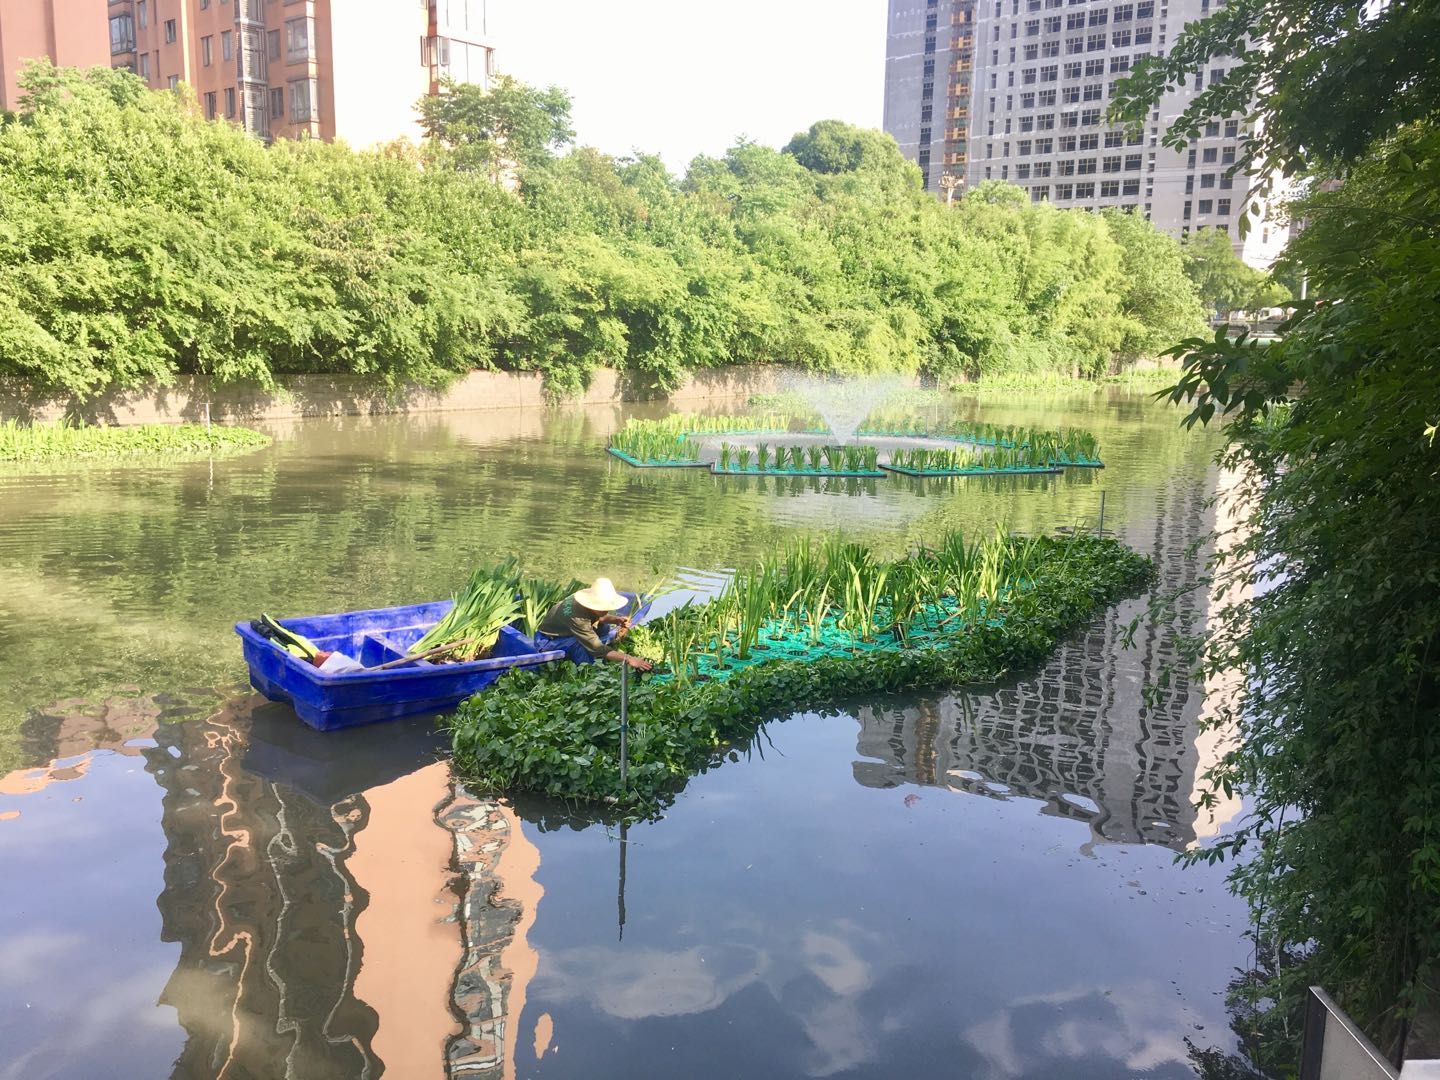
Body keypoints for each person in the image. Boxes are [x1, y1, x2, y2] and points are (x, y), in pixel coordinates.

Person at [535, 578, 653, 671]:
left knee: (604, 627)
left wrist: (616, 620)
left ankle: (602, 656)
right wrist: (630, 659)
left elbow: (595, 616)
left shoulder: (584, 603)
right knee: (580, 644)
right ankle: (589, 673)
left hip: (567, 629)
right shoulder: (577, 618)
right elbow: (597, 648)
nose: (606, 610)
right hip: (548, 642)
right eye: (603, 608)